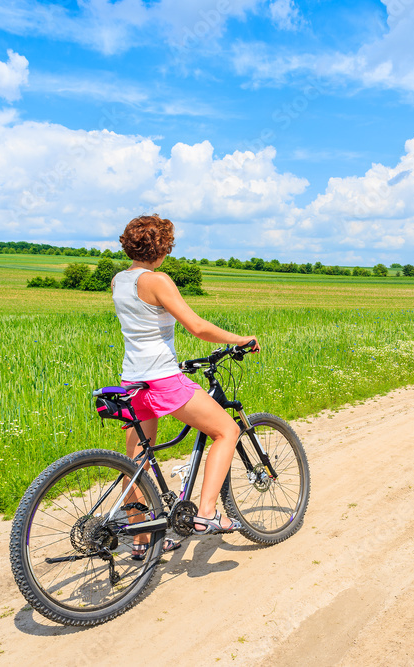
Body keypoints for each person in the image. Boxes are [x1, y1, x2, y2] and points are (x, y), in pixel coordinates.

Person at [111, 214, 259, 559]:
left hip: (132, 380)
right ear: (162, 249)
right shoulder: (157, 280)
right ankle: (207, 514)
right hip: (162, 377)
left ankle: (141, 539)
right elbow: (196, 326)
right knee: (226, 429)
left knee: (135, 462)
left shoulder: (119, 280)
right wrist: (241, 339)